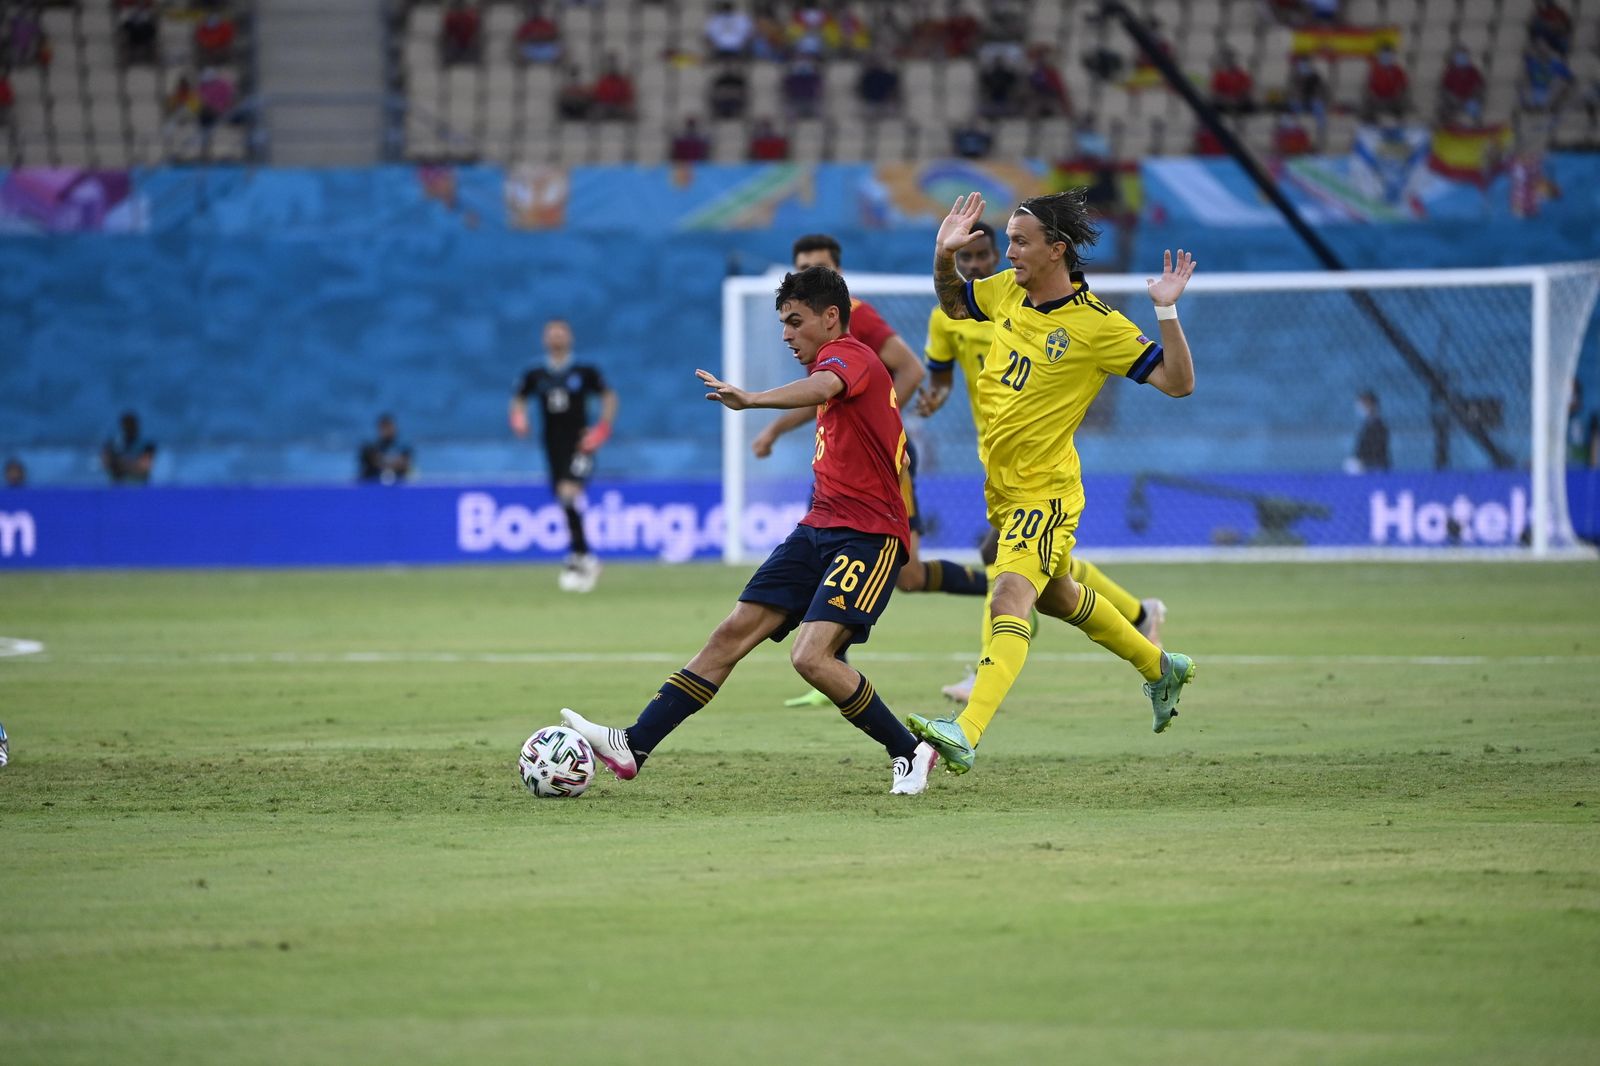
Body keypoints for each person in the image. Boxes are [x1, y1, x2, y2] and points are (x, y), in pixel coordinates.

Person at [558, 266, 940, 796]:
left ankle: (909, 750)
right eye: (783, 322)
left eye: (795, 321)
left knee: (810, 656)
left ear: (831, 318)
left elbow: (824, 384)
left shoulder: (850, 355)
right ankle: (633, 744)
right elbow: (822, 393)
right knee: (730, 633)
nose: (786, 333)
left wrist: (754, 399)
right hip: (818, 528)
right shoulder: (836, 366)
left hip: (868, 535)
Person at [906, 189, 1198, 775]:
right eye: (1008, 240)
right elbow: (955, 306)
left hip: (1047, 491)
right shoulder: (1007, 291)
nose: (1005, 251)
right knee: (1060, 595)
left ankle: (964, 732)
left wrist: (1166, 312)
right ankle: (1160, 666)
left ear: (1057, 250)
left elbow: (1177, 382)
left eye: (1019, 242)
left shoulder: (1097, 326)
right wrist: (942, 256)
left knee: (1009, 594)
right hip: (1002, 485)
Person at [758, 234, 985, 706]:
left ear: (836, 276)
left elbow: (910, 370)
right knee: (830, 556)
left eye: (816, 266)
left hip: (880, 461)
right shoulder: (807, 327)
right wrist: (777, 428)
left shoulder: (855, 315)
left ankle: (1005, 590)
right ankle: (826, 665)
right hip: (840, 462)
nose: (805, 274)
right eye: (800, 266)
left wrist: (877, 422)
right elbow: (825, 394)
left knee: (910, 576)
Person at [510, 319, 618, 593]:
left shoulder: (584, 371)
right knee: (563, 498)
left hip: (581, 444)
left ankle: (580, 557)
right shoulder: (536, 373)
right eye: (551, 334)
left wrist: (601, 429)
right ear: (545, 339)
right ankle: (582, 556)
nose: (556, 338)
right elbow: (519, 398)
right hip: (552, 446)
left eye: (560, 334)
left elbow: (609, 397)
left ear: (569, 337)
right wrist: (518, 418)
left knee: (569, 493)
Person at [101, 410, 156, 485]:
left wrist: (121, 463)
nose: (129, 429)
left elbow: (145, 467)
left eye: (132, 426)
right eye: (127, 426)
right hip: (117, 485)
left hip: (138, 485)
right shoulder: (113, 444)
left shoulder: (146, 445)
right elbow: (105, 463)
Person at [357, 413, 413, 484]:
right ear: (379, 429)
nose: (387, 430)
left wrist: (384, 462)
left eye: (389, 427)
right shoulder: (369, 448)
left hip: (398, 485)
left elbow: (405, 463)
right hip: (372, 485)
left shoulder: (404, 448)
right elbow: (372, 461)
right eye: (384, 427)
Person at [1346, 389, 1390, 473]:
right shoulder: (1367, 424)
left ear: (1369, 404)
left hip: (1375, 470)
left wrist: (1362, 463)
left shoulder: (1379, 426)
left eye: (1362, 404)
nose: (1359, 407)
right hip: (1366, 468)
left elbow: (1377, 452)